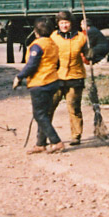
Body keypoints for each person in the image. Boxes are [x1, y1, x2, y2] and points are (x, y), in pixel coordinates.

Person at [49, 10, 109, 145]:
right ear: (58, 24)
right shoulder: (53, 37)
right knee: (49, 107)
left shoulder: (81, 37)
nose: (64, 26)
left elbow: (101, 48)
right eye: (61, 23)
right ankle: (45, 135)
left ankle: (76, 136)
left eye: (66, 23)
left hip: (75, 78)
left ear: (71, 23)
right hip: (56, 78)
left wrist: (92, 53)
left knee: (74, 108)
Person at [13, 17, 64, 154]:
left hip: (40, 83)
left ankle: (56, 141)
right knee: (45, 114)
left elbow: (31, 65)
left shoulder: (37, 45)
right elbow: (58, 64)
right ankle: (40, 144)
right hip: (53, 82)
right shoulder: (53, 44)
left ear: (35, 32)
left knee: (39, 115)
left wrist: (19, 77)